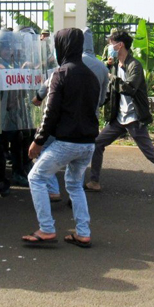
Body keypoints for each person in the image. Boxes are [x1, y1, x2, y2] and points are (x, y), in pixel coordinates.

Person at [85, 30, 154, 199]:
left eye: (111, 43)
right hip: (119, 118)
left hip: (134, 118)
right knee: (98, 144)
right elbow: (110, 92)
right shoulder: (114, 65)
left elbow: (130, 88)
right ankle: (94, 182)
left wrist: (110, 76)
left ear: (120, 45)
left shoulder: (135, 65)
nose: (108, 47)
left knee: (151, 154)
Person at [22, 28, 99, 248]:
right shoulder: (92, 76)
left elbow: (51, 111)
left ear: (61, 46)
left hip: (66, 142)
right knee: (75, 185)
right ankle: (83, 233)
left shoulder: (61, 73)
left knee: (36, 177)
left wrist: (38, 140)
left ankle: (46, 229)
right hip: (87, 144)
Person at [36, 28, 109, 201]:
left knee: (43, 155)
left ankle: (52, 192)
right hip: (90, 122)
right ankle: (73, 198)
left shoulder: (66, 64)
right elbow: (102, 99)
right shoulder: (102, 68)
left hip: (66, 122)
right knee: (77, 169)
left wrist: (38, 97)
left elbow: (50, 88)